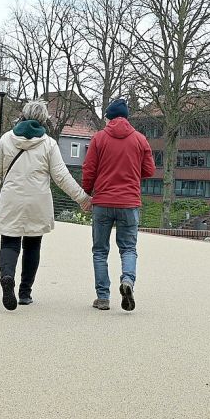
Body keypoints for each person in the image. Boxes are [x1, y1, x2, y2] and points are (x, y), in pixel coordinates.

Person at [0, 100, 90, 311]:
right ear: (43, 119)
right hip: (38, 201)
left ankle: (7, 277)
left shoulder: (7, 139)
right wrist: (83, 198)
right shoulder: (48, 144)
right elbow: (61, 176)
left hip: (11, 199)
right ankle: (25, 293)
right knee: (33, 245)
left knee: (9, 243)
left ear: (23, 116)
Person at [81, 98, 155, 311]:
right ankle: (128, 281)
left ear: (109, 117)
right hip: (129, 203)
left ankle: (103, 297)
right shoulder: (140, 140)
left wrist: (87, 192)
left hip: (103, 202)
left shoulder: (99, 138)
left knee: (100, 251)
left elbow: (89, 169)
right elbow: (149, 170)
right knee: (128, 248)